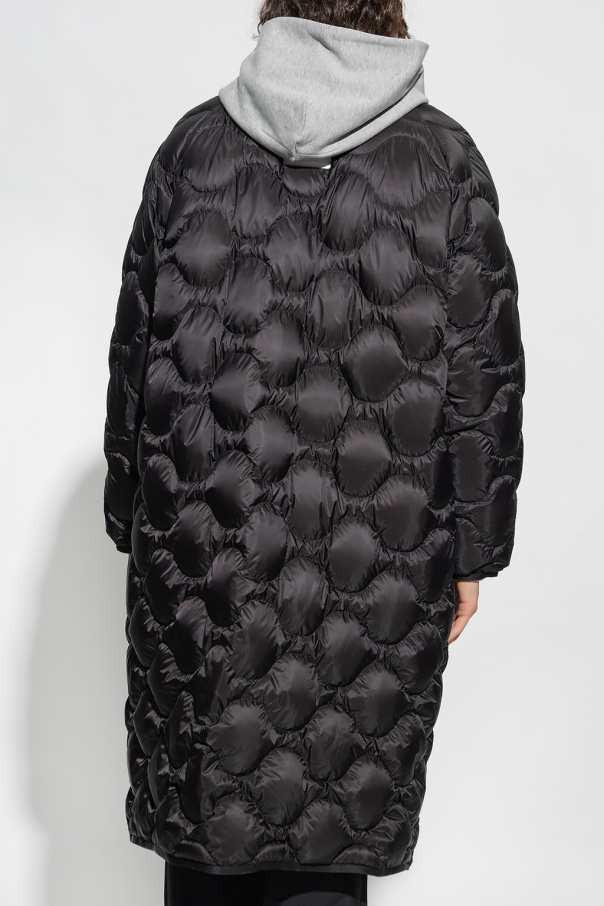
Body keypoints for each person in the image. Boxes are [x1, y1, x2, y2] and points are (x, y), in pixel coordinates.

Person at [103, 2, 525, 904]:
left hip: (209, 557)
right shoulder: (444, 164)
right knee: (334, 809)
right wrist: (473, 552)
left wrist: (126, 513)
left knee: (212, 815)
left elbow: (136, 351)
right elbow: (482, 371)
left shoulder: (195, 150)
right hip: (378, 559)